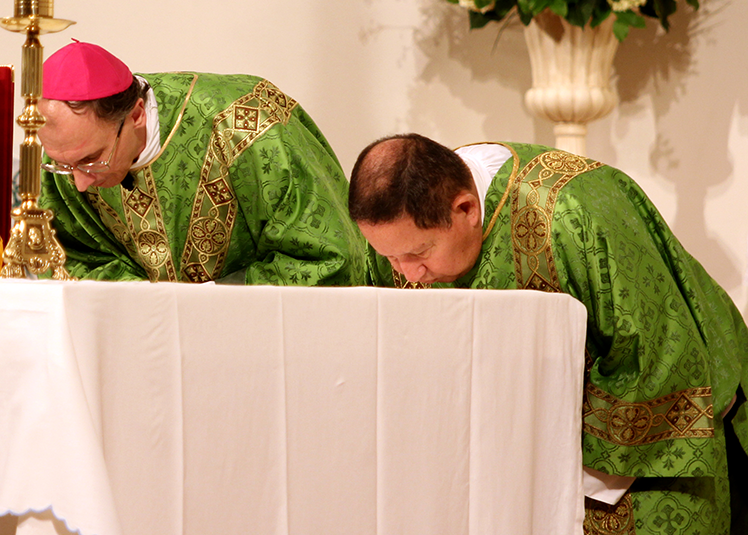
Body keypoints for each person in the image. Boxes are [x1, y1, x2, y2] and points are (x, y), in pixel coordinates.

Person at [348, 134, 748, 534]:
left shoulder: (573, 214)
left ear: (466, 209)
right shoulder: (398, 238)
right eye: (389, 257)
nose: (406, 273)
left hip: (643, 446)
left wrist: (544, 461)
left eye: (419, 254)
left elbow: (657, 354)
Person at [37, 41, 366, 285]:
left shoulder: (247, 123)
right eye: (63, 165)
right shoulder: (66, 151)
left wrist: (207, 304)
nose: (78, 182)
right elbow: (69, 260)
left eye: (92, 160)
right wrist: (147, 303)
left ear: (135, 115)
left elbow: (326, 255)